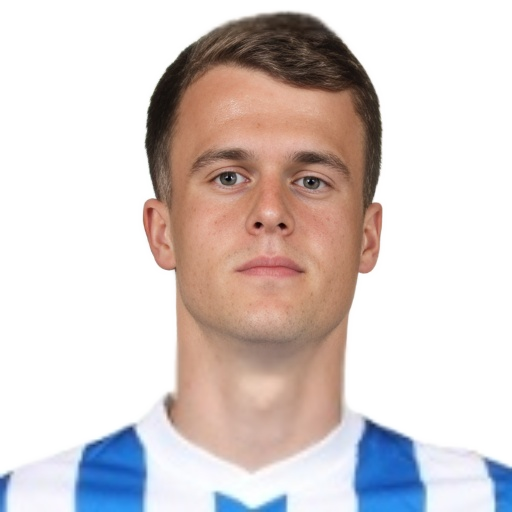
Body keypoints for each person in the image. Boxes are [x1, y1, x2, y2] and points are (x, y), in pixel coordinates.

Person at [1, 11, 511, 512]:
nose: (270, 211)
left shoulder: (486, 501)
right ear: (162, 232)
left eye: (311, 181)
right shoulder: (29, 503)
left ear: (367, 237)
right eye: (228, 177)